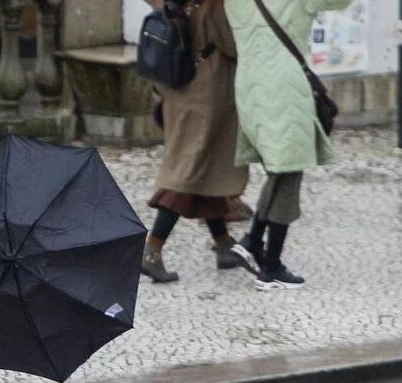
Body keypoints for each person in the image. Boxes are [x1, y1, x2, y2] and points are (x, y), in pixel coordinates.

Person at [225, 0, 353, 289]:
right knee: (289, 168)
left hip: (249, 84)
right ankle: (269, 267)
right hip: (285, 87)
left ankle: (255, 242)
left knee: (281, 168)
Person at [141, 0, 250, 284]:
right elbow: (231, 43)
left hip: (178, 84)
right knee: (187, 173)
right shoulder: (217, 4)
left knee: (206, 164)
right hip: (207, 91)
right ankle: (152, 250)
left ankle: (224, 243)